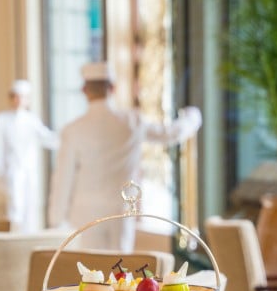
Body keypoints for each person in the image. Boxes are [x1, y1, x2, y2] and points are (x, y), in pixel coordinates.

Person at [47, 61, 202, 251]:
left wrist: (56, 220)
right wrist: (192, 117)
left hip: (83, 213)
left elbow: (63, 178)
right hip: (119, 211)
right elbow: (171, 133)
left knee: (88, 272)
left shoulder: (72, 130)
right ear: (112, 88)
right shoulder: (132, 122)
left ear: (84, 90)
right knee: (119, 272)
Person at [0, 79, 59, 232]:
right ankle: (14, 238)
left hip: (29, 170)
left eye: (22, 97)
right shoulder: (1, 119)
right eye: (15, 96)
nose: (18, 100)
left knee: (31, 206)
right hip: (12, 170)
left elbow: (47, 138)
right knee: (15, 206)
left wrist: (67, 139)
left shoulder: (31, 119)